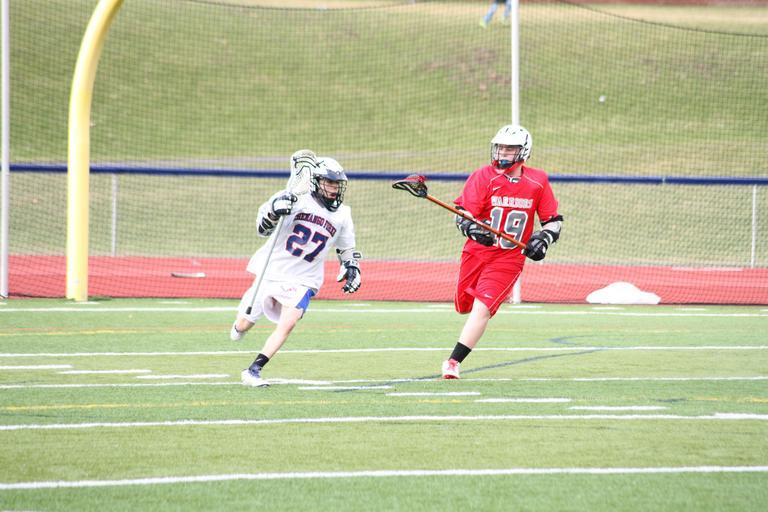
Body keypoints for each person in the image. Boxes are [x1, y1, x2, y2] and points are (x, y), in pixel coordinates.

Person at [442, 125, 562, 379]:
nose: (503, 153)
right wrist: (473, 229)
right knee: (464, 306)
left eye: (510, 149)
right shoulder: (483, 176)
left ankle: (453, 362)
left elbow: (553, 221)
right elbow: (463, 214)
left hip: (508, 259)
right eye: (501, 148)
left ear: (524, 151)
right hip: (477, 253)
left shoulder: (537, 181)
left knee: (483, 308)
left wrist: (543, 239)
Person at [231, 154, 362, 387]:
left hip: (305, 278)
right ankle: (240, 325)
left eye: (337, 184)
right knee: (242, 326)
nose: (334, 188)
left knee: (289, 322)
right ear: (316, 181)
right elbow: (262, 229)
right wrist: (274, 211)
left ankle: (253, 370)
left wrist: (352, 266)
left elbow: (346, 247)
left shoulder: (343, 214)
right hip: (272, 270)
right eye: (329, 182)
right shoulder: (295, 200)